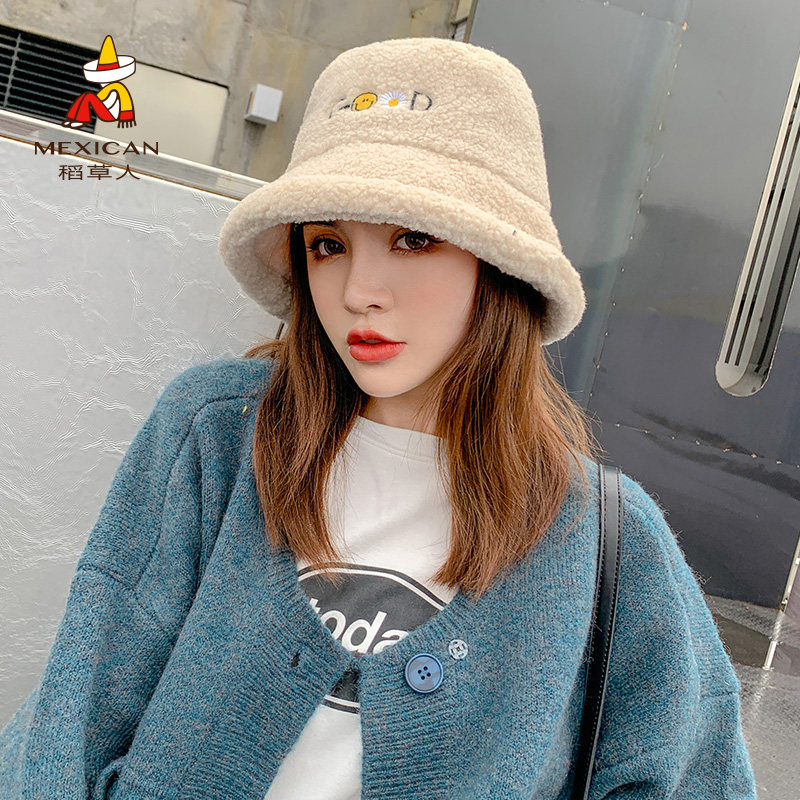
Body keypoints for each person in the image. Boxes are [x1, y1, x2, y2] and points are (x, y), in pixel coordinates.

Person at [0, 36, 756, 800]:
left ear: (499, 265)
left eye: (413, 237)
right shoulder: (217, 437)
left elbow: (697, 778)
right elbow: (68, 726)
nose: (359, 290)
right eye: (328, 244)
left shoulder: (602, 538)